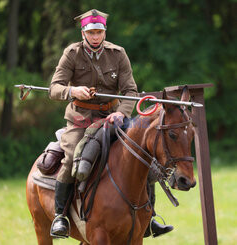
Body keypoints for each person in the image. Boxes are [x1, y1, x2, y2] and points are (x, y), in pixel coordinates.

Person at [48, 9, 173, 239]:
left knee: (144, 157)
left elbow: (130, 91)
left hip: (113, 118)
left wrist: (122, 114)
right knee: (71, 158)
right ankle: (60, 216)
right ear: (83, 32)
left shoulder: (118, 54)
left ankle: (150, 216)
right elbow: (54, 88)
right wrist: (72, 90)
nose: (96, 36)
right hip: (80, 120)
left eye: (99, 32)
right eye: (91, 32)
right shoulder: (71, 53)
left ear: (104, 32)